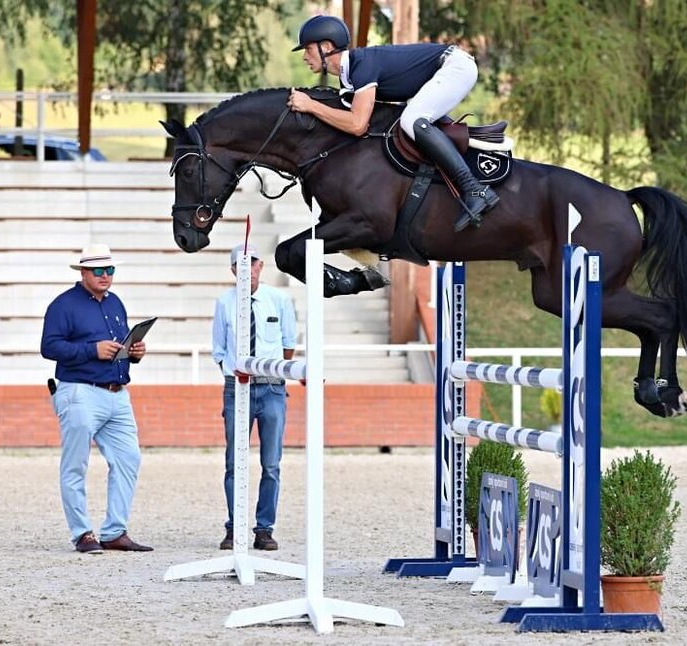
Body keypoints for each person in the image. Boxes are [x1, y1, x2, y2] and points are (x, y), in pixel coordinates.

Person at [286, 14, 499, 233]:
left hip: (455, 67)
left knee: (412, 120)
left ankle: (474, 189)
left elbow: (357, 125)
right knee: (407, 120)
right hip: (443, 69)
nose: (304, 56)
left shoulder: (361, 65)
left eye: (308, 49)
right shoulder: (349, 75)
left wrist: (310, 105)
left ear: (327, 46)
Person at [40, 243, 153, 554]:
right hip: (79, 391)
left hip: (117, 393)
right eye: (100, 270)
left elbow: (119, 348)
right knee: (75, 464)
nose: (106, 275)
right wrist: (92, 350)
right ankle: (82, 533)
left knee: (129, 459)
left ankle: (115, 531)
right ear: (84, 272)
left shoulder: (116, 303)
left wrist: (134, 353)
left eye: (110, 270)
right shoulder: (63, 305)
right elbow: (49, 347)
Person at [214, 244, 297, 551]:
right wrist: (233, 372)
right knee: (235, 460)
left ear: (262, 266)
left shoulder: (279, 300)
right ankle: (234, 526)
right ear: (233, 269)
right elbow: (219, 348)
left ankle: (264, 527)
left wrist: (275, 373)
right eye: (240, 265)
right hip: (237, 386)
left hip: (272, 386)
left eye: (253, 264)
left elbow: (288, 343)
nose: (247, 271)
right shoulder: (224, 303)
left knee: (271, 462)